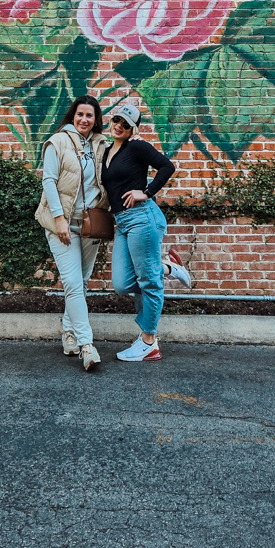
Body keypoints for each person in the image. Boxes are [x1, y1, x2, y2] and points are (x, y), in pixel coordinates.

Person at [34, 95, 109, 373]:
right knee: (73, 284)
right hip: (63, 224)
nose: (84, 120)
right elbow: (49, 181)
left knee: (82, 281)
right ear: (72, 115)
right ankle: (87, 345)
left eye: (89, 115)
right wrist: (59, 220)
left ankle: (68, 331)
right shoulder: (58, 142)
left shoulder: (101, 145)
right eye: (80, 114)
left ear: (95, 119)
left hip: (91, 224)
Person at [103, 100, 181, 362]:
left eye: (126, 124)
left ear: (133, 128)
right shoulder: (107, 152)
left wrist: (146, 192)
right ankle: (168, 268)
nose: (119, 126)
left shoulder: (136, 146)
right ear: (111, 120)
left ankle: (149, 342)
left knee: (148, 281)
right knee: (122, 283)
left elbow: (167, 166)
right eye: (117, 120)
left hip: (142, 218)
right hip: (123, 222)